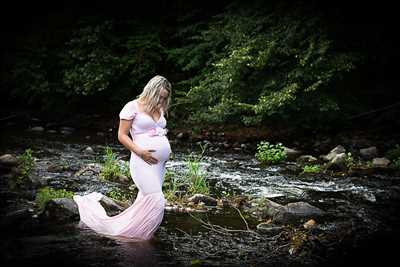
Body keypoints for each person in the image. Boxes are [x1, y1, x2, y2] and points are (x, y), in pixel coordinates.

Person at [73, 75, 172, 241]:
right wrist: (141, 152)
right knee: (157, 200)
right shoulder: (132, 107)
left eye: (164, 98)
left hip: (159, 166)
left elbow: (158, 131)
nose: (161, 101)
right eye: (159, 96)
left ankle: (136, 234)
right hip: (142, 162)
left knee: (144, 202)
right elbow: (122, 135)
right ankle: (140, 237)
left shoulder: (159, 109)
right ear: (151, 91)